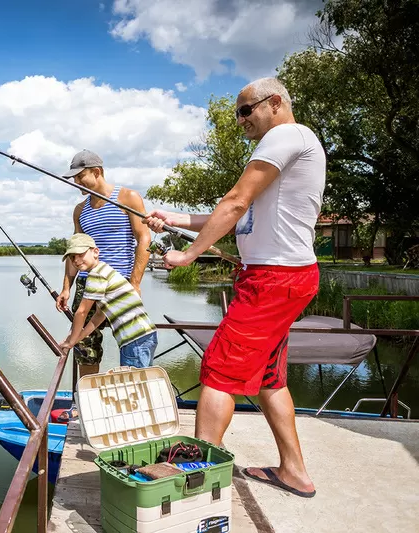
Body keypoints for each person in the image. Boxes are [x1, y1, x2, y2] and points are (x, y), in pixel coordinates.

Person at [145, 77, 325, 498]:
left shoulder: (285, 135)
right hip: (283, 276)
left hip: (273, 279)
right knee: (268, 379)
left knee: (219, 372)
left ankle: (194, 477)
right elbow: (241, 217)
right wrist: (176, 219)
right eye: (237, 112)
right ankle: (294, 472)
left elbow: (235, 203)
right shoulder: (292, 145)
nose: (240, 119)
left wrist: (189, 256)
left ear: (275, 102)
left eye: (246, 110)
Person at [55, 149, 151, 377]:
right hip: (88, 286)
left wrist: (135, 284)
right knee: (85, 347)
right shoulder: (80, 210)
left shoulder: (128, 198)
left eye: (80, 176)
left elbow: (144, 238)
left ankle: (133, 396)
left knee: (131, 342)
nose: (77, 182)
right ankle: (86, 402)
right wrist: (66, 287)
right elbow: (75, 253)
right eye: (74, 178)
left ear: (97, 172)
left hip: (120, 286)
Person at [58, 233, 157, 369]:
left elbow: (81, 312)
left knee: (133, 384)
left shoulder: (96, 275)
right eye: (72, 257)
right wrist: (78, 337)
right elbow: (98, 316)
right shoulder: (104, 270)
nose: (76, 260)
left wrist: (71, 342)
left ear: (95, 252)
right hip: (144, 335)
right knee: (139, 382)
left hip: (134, 340)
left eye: (80, 254)